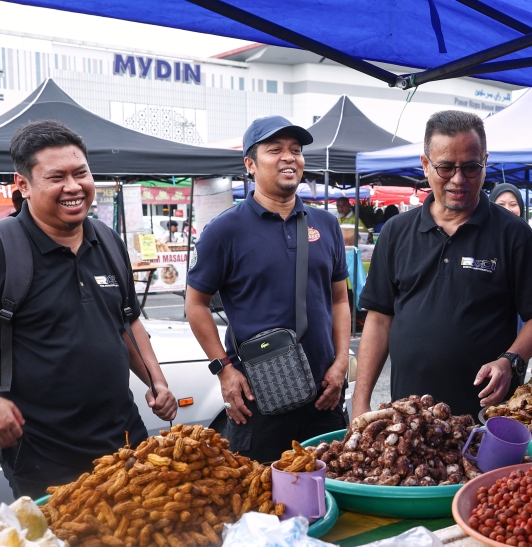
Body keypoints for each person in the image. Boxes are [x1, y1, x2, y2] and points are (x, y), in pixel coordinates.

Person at [0, 120, 177, 497]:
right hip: (43, 454)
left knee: (142, 540)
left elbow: (128, 320)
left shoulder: (108, 240)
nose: (73, 187)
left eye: (80, 173)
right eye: (56, 177)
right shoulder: (5, 248)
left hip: (124, 439)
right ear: (23, 185)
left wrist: (156, 381)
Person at [352, 111, 532, 419]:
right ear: (425, 165)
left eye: (471, 167)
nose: (459, 180)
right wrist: (360, 402)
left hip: (486, 418)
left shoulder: (513, 233)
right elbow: (379, 319)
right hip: (409, 420)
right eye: (445, 167)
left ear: (485, 162)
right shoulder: (396, 231)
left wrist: (511, 360)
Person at [186, 116, 351, 462]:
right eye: (275, 150)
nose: (289, 157)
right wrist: (225, 371)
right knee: (263, 501)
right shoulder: (225, 230)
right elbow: (195, 304)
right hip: (259, 397)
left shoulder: (327, 224)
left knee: (332, 491)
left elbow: (339, 300)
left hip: (326, 395)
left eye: (296, 150)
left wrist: (340, 365)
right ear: (250, 164)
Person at [489, 184, 532, 253]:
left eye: (513, 204)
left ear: (520, 207)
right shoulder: (482, 238)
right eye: (501, 204)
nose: (507, 209)